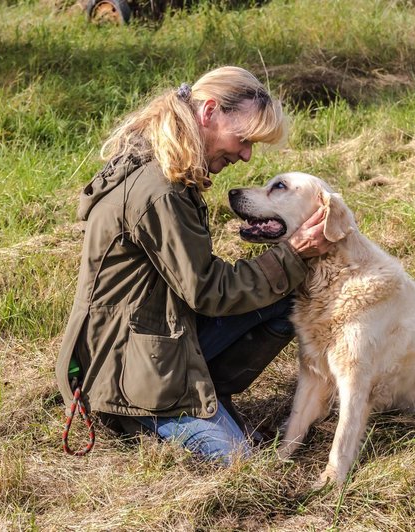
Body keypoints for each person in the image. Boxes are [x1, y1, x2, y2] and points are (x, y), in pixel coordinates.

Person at [55, 65, 331, 463]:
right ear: (209, 113)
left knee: (288, 296)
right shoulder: (160, 190)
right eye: (244, 139)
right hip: (127, 371)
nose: (246, 154)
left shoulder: (165, 164)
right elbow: (208, 291)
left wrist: (287, 267)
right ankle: (142, 417)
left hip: (161, 335)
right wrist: (293, 254)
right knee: (243, 463)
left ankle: (210, 389)